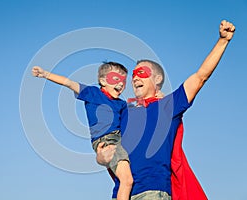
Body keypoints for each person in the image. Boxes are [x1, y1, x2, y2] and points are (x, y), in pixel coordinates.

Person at [96, 20, 235, 200]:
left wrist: (222, 41)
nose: (135, 78)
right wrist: (101, 157)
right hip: (121, 193)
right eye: (133, 75)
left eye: (142, 73)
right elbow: (106, 149)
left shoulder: (168, 106)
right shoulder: (122, 111)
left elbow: (200, 77)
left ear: (158, 78)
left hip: (152, 192)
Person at [32, 62, 133, 200]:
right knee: (127, 181)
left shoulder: (121, 103)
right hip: (107, 140)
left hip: (120, 139)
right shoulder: (93, 93)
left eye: (123, 81)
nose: (121, 84)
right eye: (116, 79)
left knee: (121, 181)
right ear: (103, 81)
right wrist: (45, 74)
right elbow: (68, 83)